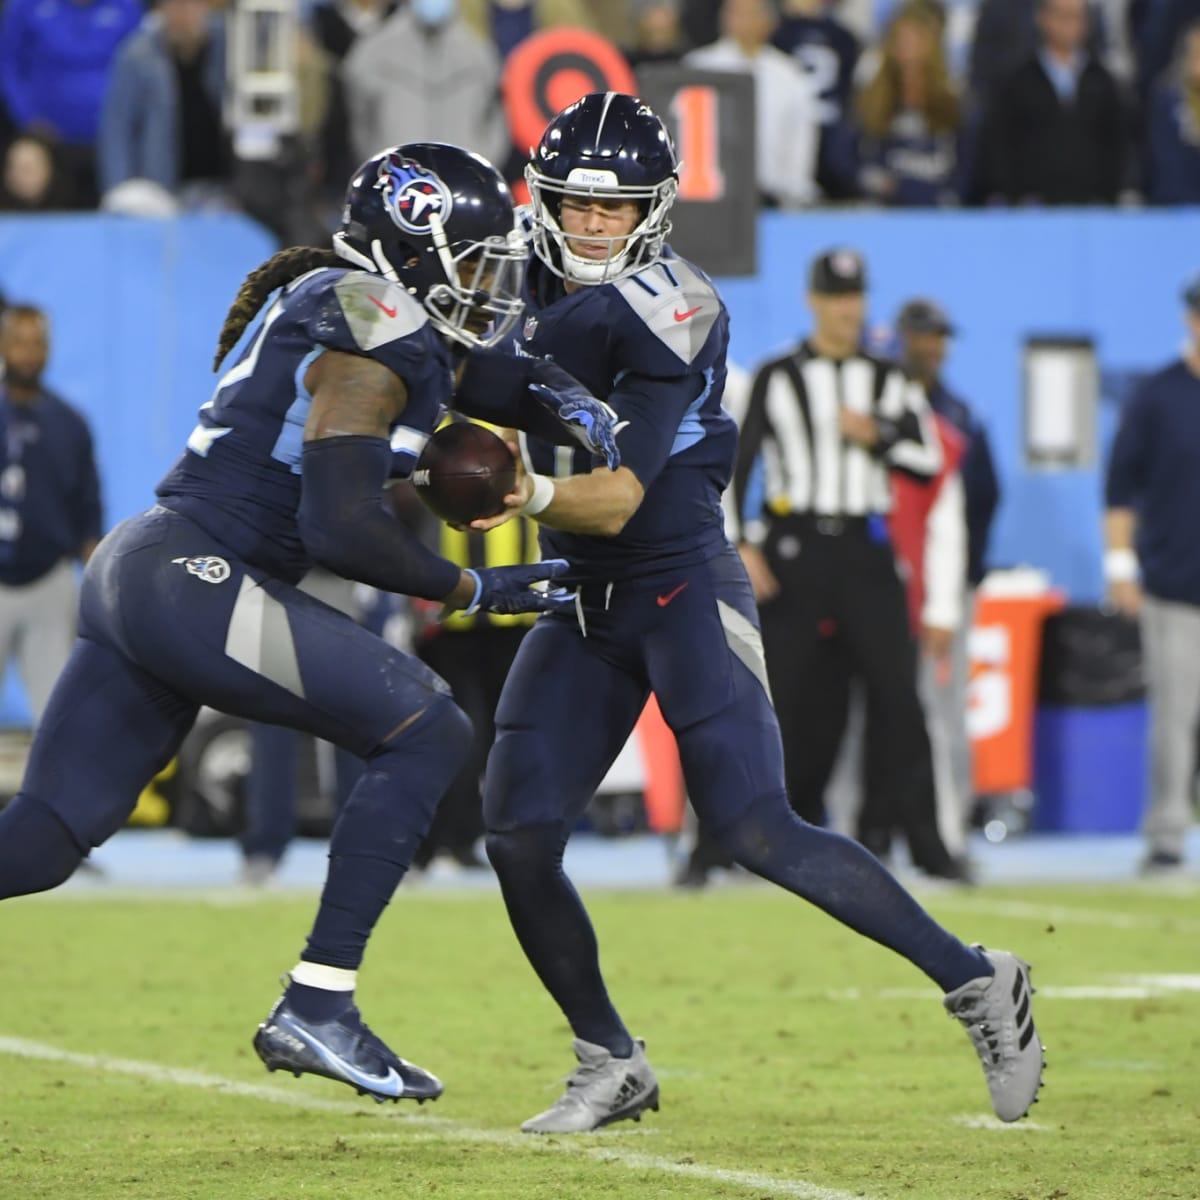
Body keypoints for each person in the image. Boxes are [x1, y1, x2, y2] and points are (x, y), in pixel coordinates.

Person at [0, 142, 626, 1104]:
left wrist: (574, 402)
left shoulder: (360, 307)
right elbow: (336, 525)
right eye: (473, 256)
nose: (488, 280)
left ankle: (321, 1004)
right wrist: (471, 591)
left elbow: (480, 378)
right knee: (428, 724)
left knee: (40, 842)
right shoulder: (374, 330)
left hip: (148, 565)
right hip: (194, 578)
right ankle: (319, 1002)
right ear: (416, 250)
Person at [468, 92, 1044, 1133]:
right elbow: (461, 369)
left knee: (752, 826)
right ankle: (609, 1057)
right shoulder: (506, 275)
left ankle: (977, 979)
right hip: (587, 600)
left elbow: (622, 492)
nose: (592, 226)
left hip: (678, 580)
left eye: (615, 208)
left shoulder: (675, 303)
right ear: (543, 197)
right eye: (576, 206)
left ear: (655, 209)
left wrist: (523, 493)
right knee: (515, 832)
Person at [733, 248, 965, 882]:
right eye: (836, 298)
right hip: (794, 546)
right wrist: (742, 544)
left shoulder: (888, 378)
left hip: (864, 548)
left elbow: (926, 459)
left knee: (898, 698)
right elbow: (736, 467)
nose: (847, 310)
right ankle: (742, 841)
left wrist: (879, 437)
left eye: (856, 297)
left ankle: (923, 842)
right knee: (777, 699)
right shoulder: (777, 374)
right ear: (813, 301)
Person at [1104, 271, 1200, 875]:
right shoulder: (1156, 395)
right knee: (1175, 716)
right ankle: (1166, 831)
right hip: (1175, 584)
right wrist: (1121, 567)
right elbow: (1119, 487)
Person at [0, 304, 103, 726]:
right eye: (19, 341)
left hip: (49, 580)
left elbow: (89, 511)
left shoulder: (70, 424)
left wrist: (98, 598)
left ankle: (54, 793)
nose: (28, 352)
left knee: (58, 715)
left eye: (37, 342)